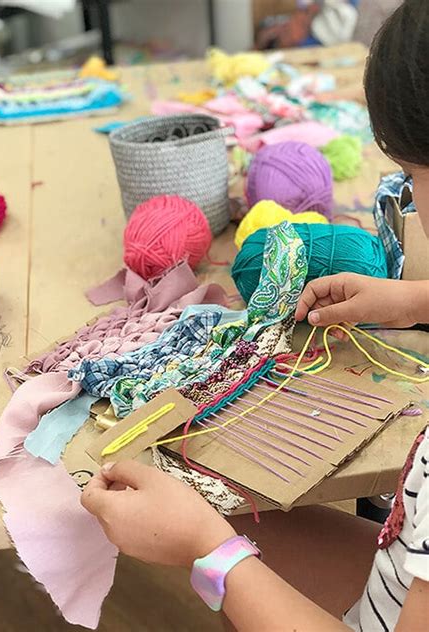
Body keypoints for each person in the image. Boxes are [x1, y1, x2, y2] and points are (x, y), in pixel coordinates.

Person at [81, 2, 429, 629]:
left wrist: (212, 552)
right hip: (398, 585)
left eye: (409, 175)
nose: (406, 196)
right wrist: (412, 300)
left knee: (228, 551)